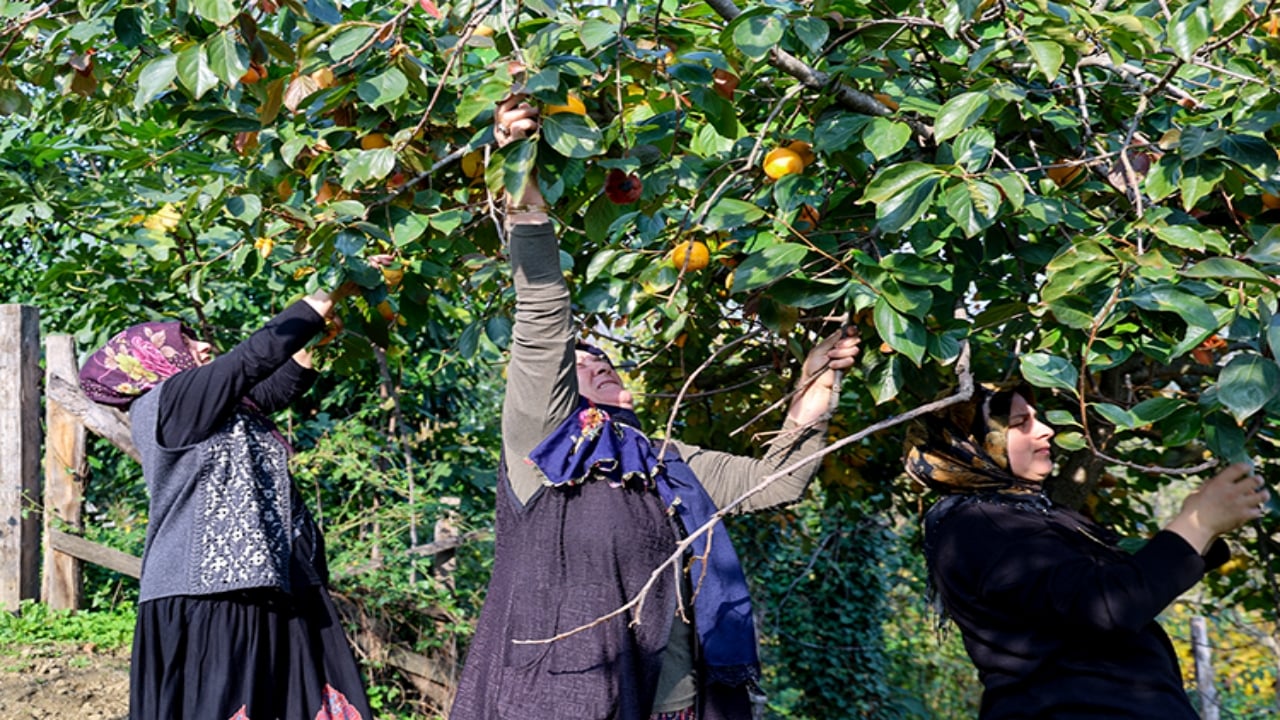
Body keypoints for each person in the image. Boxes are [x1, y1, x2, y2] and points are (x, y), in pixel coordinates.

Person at [448, 97, 862, 720]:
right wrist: (521, 174)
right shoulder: (543, 441)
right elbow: (541, 312)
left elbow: (776, 481)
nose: (596, 363)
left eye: (602, 357)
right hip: (559, 700)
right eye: (577, 364)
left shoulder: (666, 460)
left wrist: (815, 383)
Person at [79, 275, 384, 720]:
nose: (204, 346)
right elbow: (250, 360)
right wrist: (328, 291)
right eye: (184, 343)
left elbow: (274, 386)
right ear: (150, 362)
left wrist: (322, 334)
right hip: (209, 594)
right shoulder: (170, 401)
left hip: (253, 582)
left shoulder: (217, 406)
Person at [903, 383, 1270, 719]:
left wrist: (1206, 525)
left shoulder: (1033, 513)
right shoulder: (978, 524)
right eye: (1019, 423)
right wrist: (1197, 523)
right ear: (968, 444)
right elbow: (1108, 606)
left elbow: (1125, 582)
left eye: (1037, 418)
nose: (1046, 429)